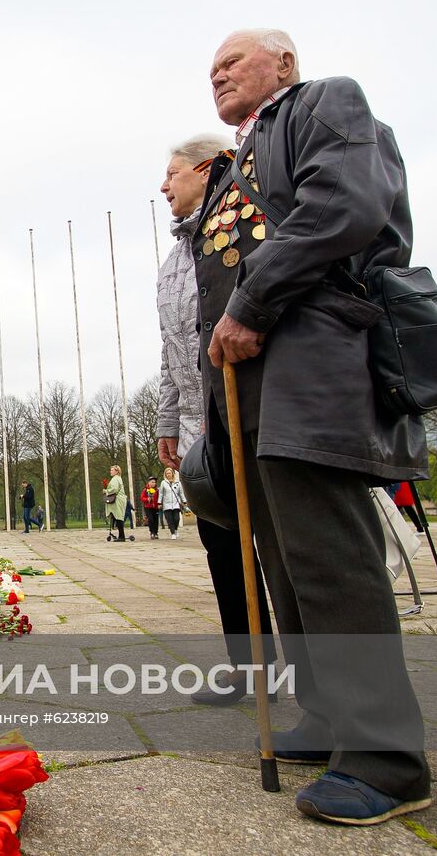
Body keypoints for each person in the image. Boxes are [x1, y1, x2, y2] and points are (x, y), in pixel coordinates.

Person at [191, 29, 431, 824]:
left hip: (313, 354)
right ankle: (329, 716)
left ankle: (386, 756)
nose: (218, 72)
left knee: (327, 551)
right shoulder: (234, 165)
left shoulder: (326, 103)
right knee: (285, 559)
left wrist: (252, 304)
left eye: (235, 60)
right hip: (250, 378)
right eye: (210, 69)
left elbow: (344, 208)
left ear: (284, 65)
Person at [156, 131, 275, 708]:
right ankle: (252, 665)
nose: (163, 187)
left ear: (206, 170)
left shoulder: (241, 226)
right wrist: (168, 421)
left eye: (172, 174)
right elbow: (170, 348)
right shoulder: (173, 259)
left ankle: (318, 672)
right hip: (201, 422)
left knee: (275, 541)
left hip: (252, 409)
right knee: (221, 543)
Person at [160, 467, 186, 539]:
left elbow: (181, 493)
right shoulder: (163, 483)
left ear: (172, 474)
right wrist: (159, 502)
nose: (168, 474)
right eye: (167, 473)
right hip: (167, 504)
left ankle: (176, 529)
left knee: (176, 519)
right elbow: (161, 493)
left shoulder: (178, 483)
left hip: (176, 504)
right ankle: (173, 533)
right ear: (165, 474)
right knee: (170, 520)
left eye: (169, 473)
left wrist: (184, 501)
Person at [103, 466, 127, 541]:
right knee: (118, 516)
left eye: (112, 470)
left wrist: (106, 491)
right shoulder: (118, 478)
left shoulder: (115, 479)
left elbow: (114, 489)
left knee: (118, 517)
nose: (110, 471)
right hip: (120, 499)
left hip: (117, 500)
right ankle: (121, 535)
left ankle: (121, 536)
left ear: (116, 471)